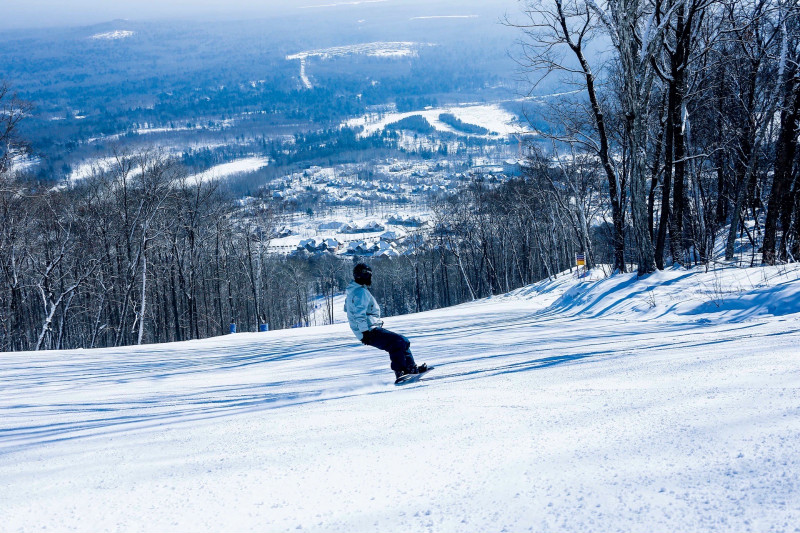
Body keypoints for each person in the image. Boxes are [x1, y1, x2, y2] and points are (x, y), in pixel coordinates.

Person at [344, 262, 427, 381]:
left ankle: (410, 368)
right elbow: (358, 314)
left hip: (369, 328)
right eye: (366, 275)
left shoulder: (355, 291)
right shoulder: (360, 292)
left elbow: (350, 310)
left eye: (369, 274)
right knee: (398, 342)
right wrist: (365, 332)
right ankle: (401, 372)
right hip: (368, 330)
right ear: (359, 276)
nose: (369, 277)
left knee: (402, 341)